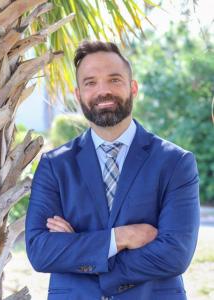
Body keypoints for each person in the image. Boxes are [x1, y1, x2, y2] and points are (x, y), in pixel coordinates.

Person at [25, 40, 200, 300]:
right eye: (90, 82)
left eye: (114, 80)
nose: (103, 91)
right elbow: (40, 251)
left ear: (133, 88)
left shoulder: (175, 162)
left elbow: (175, 254)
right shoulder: (54, 165)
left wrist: (79, 249)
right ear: (78, 94)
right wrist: (120, 238)